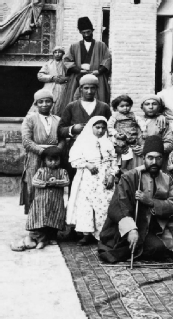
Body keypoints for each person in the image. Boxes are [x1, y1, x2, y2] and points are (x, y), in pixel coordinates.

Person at [98, 135, 173, 263]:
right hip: (136, 226)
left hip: (160, 226)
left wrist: (150, 202)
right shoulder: (130, 177)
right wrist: (131, 229)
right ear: (143, 158)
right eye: (150, 158)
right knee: (157, 248)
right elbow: (119, 206)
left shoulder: (167, 178)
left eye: (158, 158)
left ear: (163, 159)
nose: (154, 162)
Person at [66, 116, 117, 245]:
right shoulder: (82, 142)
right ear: (91, 127)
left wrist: (112, 175)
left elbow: (114, 161)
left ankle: (103, 233)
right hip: (87, 177)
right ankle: (86, 234)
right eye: (97, 127)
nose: (100, 131)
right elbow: (73, 159)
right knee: (86, 205)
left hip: (104, 177)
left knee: (105, 204)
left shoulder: (108, 142)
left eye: (103, 128)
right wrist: (87, 164)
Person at [11, 147, 70, 251]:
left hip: (56, 202)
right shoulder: (41, 171)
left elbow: (66, 182)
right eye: (50, 160)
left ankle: (52, 237)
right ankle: (40, 238)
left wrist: (56, 182)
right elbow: (35, 182)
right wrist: (46, 183)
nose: (53, 163)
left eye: (56, 160)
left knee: (55, 219)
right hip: (42, 201)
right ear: (44, 161)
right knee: (41, 218)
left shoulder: (62, 172)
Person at [58, 74, 112, 182]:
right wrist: (72, 129)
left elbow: (110, 128)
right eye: (86, 88)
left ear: (97, 89)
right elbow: (60, 130)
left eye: (93, 88)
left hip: (99, 150)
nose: (89, 91)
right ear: (81, 88)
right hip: (78, 150)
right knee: (76, 180)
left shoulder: (103, 107)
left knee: (98, 181)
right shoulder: (72, 106)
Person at [20, 90, 65, 215]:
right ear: (36, 104)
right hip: (35, 157)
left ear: (52, 103)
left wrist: (57, 151)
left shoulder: (58, 120)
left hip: (54, 159)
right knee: (34, 186)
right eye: (41, 102)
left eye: (48, 101)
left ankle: (52, 219)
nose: (44, 104)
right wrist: (43, 152)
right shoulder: (30, 119)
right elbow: (26, 141)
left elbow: (62, 139)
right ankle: (34, 222)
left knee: (53, 186)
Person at [60, 16, 111, 107]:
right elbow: (66, 60)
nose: (86, 34)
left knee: (99, 98)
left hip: (96, 75)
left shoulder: (101, 45)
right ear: (80, 32)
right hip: (78, 75)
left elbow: (107, 59)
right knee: (74, 99)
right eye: (84, 32)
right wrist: (78, 70)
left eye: (88, 32)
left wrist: (99, 71)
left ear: (92, 31)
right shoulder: (74, 46)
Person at [132, 95, 173, 170]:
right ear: (142, 107)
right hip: (136, 159)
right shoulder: (134, 121)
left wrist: (148, 149)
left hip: (155, 161)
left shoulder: (162, 122)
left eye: (154, 104)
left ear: (159, 107)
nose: (151, 107)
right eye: (147, 104)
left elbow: (170, 144)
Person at [37, 46, 69, 116]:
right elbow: (40, 76)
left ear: (63, 54)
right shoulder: (48, 64)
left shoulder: (66, 64)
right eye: (55, 52)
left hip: (62, 88)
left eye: (59, 52)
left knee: (60, 106)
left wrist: (65, 79)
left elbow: (72, 76)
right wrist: (52, 77)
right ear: (53, 54)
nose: (57, 54)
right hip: (49, 88)